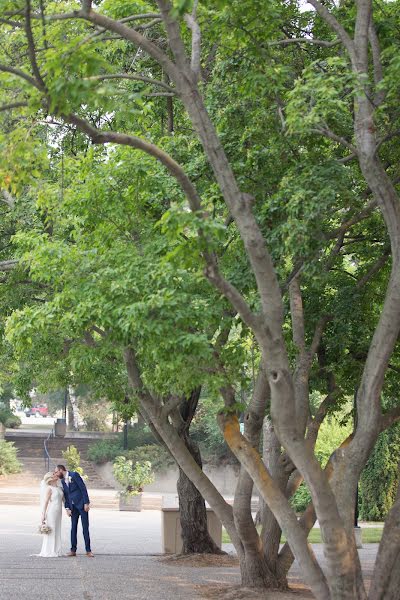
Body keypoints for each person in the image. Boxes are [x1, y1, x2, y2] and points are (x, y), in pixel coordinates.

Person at [55, 464, 94, 557]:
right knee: (73, 528)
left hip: (81, 505)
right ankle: (73, 550)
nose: (56, 474)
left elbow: (83, 488)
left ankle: (88, 550)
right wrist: (67, 508)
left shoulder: (74, 475)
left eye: (56, 472)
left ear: (61, 470)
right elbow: (66, 495)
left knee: (85, 528)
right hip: (72, 507)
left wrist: (86, 503)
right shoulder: (62, 481)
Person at [35, 471, 64, 557]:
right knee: (52, 529)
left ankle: (56, 550)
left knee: (58, 528)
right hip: (52, 511)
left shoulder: (59, 488)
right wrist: (43, 514)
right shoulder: (49, 488)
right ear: (51, 478)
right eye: (54, 474)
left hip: (59, 511)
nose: (56, 475)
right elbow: (46, 502)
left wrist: (68, 509)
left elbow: (63, 500)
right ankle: (49, 550)